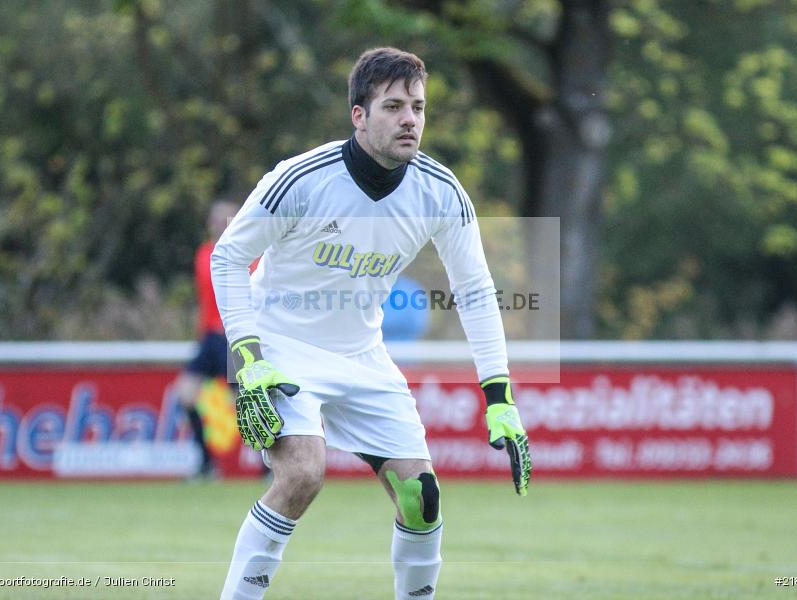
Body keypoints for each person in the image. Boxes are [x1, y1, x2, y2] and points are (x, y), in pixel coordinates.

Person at [211, 47, 531, 600]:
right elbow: (227, 258)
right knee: (302, 473)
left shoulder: (442, 192)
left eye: (418, 107)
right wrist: (249, 356)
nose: (410, 119)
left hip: (363, 355)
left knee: (422, 498)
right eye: (394, 106)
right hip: (281, 348)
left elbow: (475, 291)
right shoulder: (301, 179)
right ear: (358, 115)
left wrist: (498, 393)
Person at [172, 200, 238, 479]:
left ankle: (268, 468)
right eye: (217, 218)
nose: (221, 223)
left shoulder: (246, 255)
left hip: (235, 339)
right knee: (185, 395)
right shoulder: (204, 254)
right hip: (211, 339)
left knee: (247, 404)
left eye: (227, 218)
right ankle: (206, 463)